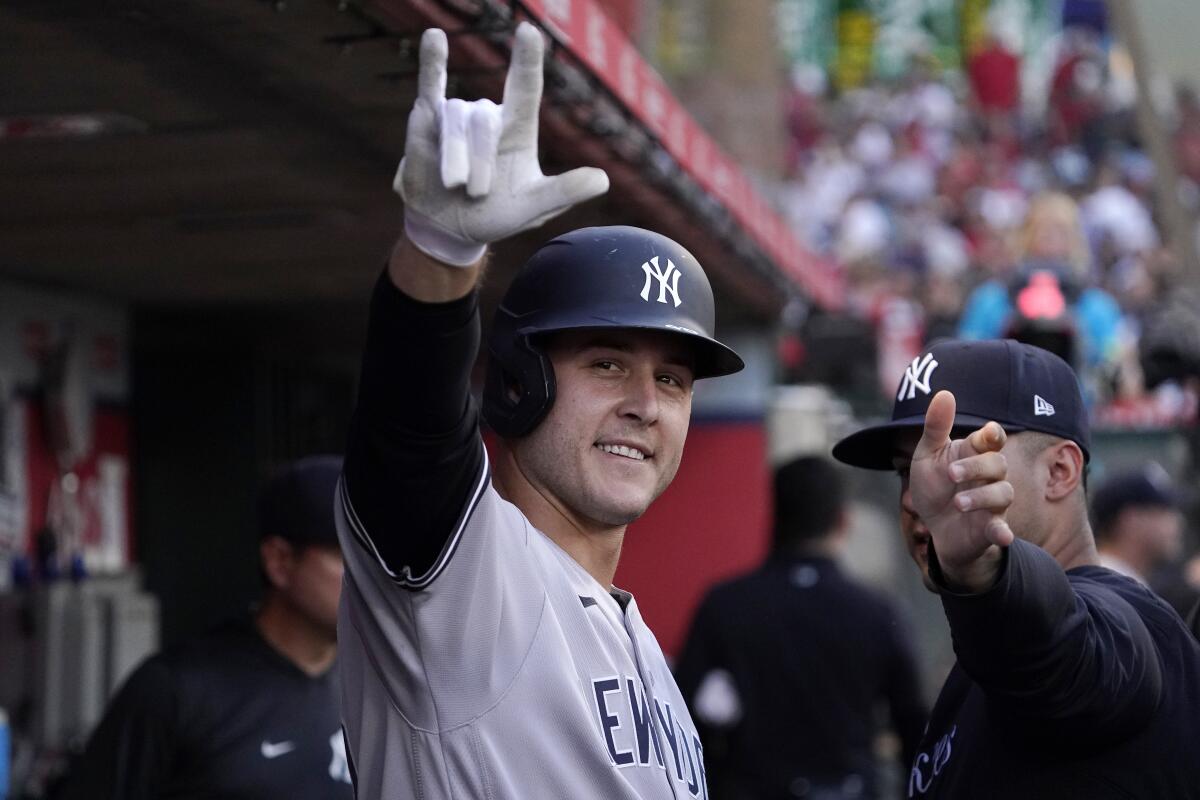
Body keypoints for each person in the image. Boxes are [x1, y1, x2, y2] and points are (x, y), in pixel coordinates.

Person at [334, 24, 743, 799]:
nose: (644, 407)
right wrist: (439, 254)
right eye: (607, 364)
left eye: (674, 382)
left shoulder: (643, 643)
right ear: (517, 383)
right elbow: (412, 431)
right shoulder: (464, 584)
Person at [831, 339, 1200, 798]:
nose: (915, 497)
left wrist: (982, 571)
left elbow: (1059, 650)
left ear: (1060, 471)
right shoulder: (977, 660)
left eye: (958, 461)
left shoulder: (1127, 630)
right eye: (907, 471)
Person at [57, 456, 352, 800]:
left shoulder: (377, 688)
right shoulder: (177, 692)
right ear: (280, 562)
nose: (371, 580)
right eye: (347, 556)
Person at [675, 456, 927, 800]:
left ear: (777, 517)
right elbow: (914, 731)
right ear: (842, 521)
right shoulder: (877, 613)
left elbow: (681, 720)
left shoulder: (723, 606)